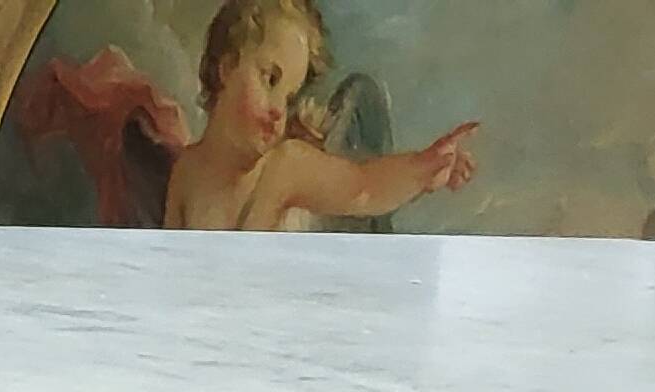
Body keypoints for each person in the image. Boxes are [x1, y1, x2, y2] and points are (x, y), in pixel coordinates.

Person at [163, 0, 474, 228]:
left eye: (289, 99)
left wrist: (426, 168)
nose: (278, 109)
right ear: (228, 68)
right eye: (270, 80)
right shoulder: (187, 173)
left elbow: (363, 187)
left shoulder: (285, 167)